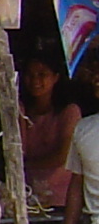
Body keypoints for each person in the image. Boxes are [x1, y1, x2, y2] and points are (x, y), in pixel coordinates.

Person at [19, 47, 82, 210]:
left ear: (55, 77)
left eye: (42, 75)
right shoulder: (22, 111)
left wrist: (26, 165)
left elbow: (63, 156)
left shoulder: (69, 112)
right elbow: (18, 152)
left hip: (61, 200)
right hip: (28, 198)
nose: (35, 81)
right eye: (30, 75)